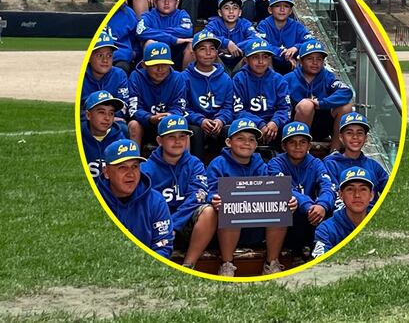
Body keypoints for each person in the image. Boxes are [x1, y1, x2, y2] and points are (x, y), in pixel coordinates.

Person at [207, 118, 297, 276]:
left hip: (257, 228)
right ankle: (227, 264)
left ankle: (271, 263)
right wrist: (213, 199)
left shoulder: (262, 165)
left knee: (281, 205)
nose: (246, 143)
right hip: (226, 231)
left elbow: (273, 190)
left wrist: (290, 200)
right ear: (228, 142)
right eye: (240, 138)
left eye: (251, 139)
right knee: (230, 205)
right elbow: (208, 191)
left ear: (256, 145)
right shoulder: (218, 164)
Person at [141, 114, 218, 269]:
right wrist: (166, 227)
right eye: (171, 137)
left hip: (184, 223)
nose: (178, 141)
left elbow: (198, 196)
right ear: (159, 141)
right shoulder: (146, 168)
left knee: (208, 211)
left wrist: (174, 226)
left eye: (182, 136)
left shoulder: (194, 164)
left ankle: (188, 265)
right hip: (157, 226)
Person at [96, 139, 174, 258]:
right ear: (106, 172)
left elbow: (162, 246)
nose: (130, 174)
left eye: (135, 166)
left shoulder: (155, 201)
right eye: (122, 167)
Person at [268, 121, 336, 255]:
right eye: (292, 142)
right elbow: (282, 187)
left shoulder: (316, 163)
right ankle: (295, 253)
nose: (297, 146)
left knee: (330, 208)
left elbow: (328, 185)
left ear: (309, 145)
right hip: (292, 219)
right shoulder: (275, 163)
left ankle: (319, 249)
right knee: (285, 206)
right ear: (283, 146)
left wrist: (322, 205)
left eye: (303, 142)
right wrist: (308, 205)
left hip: (313, 215)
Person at [286, 38, 354, 149]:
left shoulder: (328, 77)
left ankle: (335, 152)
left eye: (319, 59)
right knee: (306, 105)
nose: (315, 63)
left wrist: (321, 103)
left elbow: (346, 91)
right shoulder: (288, 79)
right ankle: (301, 150)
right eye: (310, 59)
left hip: (323, 124)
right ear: (301, 61)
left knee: (346, 106)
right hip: (295, 125)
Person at [323, 112, 390, 211]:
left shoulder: (374, 166)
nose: (355, 137)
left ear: (366, 138)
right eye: (349, 133)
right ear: (341, 137)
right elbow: (332, 194)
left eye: (360, 133)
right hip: (344, 218)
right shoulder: (331, 164)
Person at [184, 30, 235, 159]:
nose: (208, 53)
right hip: (196, 123)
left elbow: (228, 108)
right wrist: (200, 120)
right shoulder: (184, 78)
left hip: (218, 122)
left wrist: (220, 120)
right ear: (194, 53)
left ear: (216, 53)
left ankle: (224, 173)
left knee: (230, 129)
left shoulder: (226, 78)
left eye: (212, 49)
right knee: (194, 131)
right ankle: (198, 172)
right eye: (202, 49)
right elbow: (182, 108)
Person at [126, 42, 188, 147]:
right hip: (145, 124)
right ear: (144, 65)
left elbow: (180, 106)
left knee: (184, 125)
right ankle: (133, 160)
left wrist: (170, 116)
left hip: (171, 123)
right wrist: (149, 118)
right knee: (133, 125)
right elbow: (134, 109)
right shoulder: (136, 77)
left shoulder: (178, 78)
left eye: (164, 65)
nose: (160, 69)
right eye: (155, 65)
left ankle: (186, 163)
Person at [231, 39, 291, 147]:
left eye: (265, 57)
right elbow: (238, 110)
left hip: (273, 124)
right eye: (255, 57)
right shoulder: (239, 79)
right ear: (246, 60)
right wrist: (259, 124)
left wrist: (275, 122)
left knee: (291, 132)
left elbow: (285, 108)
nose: (261, 61)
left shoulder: (278, 80)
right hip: (248, 123)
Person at [311, 166, 375, 258]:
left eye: (363, 189)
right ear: (341, 195)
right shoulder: (326, 229)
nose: (357, 195)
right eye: (350, 189)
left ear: (371, 195)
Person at [136, 0, 194, 69]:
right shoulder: (148, 16)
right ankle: (149, 79)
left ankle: (186, 79)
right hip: (155, 54)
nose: (166, 2)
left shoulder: (182, 14)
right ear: (155, 3)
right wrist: (174, 39)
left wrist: (156, 32)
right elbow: (140, 31)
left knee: (191, 44)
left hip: (177, 54)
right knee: (149, 43)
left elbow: (187, 31)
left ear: (177, 3)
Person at [256, 0, 313, 74]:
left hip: (292, 65)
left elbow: (312, 42)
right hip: (271, 64)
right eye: (277, 6)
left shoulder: (297, 26)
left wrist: (296, 48)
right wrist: (282, 53)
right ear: (270, 10)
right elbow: (260, 44)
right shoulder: (263, 25)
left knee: (307, 57)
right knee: (264, 55)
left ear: (290, 11)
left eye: (286, 6)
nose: (282, 9)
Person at [205, 0, 260, 71]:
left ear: (240, 12)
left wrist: (235, 47)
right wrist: (227, 43)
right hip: (219, 63)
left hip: (240, 63)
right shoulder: (214, 24)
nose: (231, 11)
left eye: (235, 8)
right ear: (220, 12)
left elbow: (256, 39)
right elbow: (203, 35)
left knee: (256, 52)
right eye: (226, 8)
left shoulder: (245, 24)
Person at [80, 90, 130, 179]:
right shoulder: (79, 138)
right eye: (101, 112)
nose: (107, 118)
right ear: (88, 115)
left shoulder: (121, 141)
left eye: (111, 113)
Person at [81, 31, 131, 113]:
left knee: (121, 126)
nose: (105, 60)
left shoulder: (119, 75)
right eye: (100, 55)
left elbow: (124, 104)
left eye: (109, 55)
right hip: (86, 119)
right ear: (89, 57)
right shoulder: (81, 76)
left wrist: (111, 116)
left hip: (112, 119)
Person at [104, 4, 139, 72]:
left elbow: (136, 38)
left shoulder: (129, 13)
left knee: (120, 69)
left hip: (120, 58)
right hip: (98, 55)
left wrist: (133, 54)